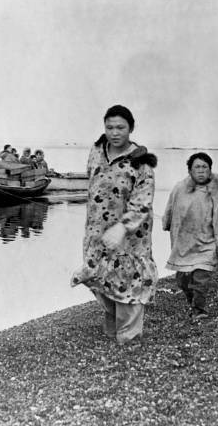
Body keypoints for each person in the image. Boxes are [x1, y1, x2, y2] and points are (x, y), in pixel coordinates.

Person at [70, 105, 158, 345]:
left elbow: (142, 204)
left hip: (129, 237)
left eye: (120, 127)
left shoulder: (141, 164)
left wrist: (121, 227)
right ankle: (112, 333)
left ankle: (129, 340)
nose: (114, 132)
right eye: (109, 127)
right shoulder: (97, 151)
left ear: (131, 128)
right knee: (100, 280)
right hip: (97, 232)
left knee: (127, 284)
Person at [163, 152, 218, 319]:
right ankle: (191, 300)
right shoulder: (179, 188)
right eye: (197, 167)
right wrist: (166, 223)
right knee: (182, 280)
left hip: (207, 242)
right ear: (190, 170)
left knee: (201, 278)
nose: (201, 170)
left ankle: (199, 310)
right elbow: (170, 208)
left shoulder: (216, 191)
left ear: (210, 170)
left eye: (205, 167)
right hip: (183, 242)